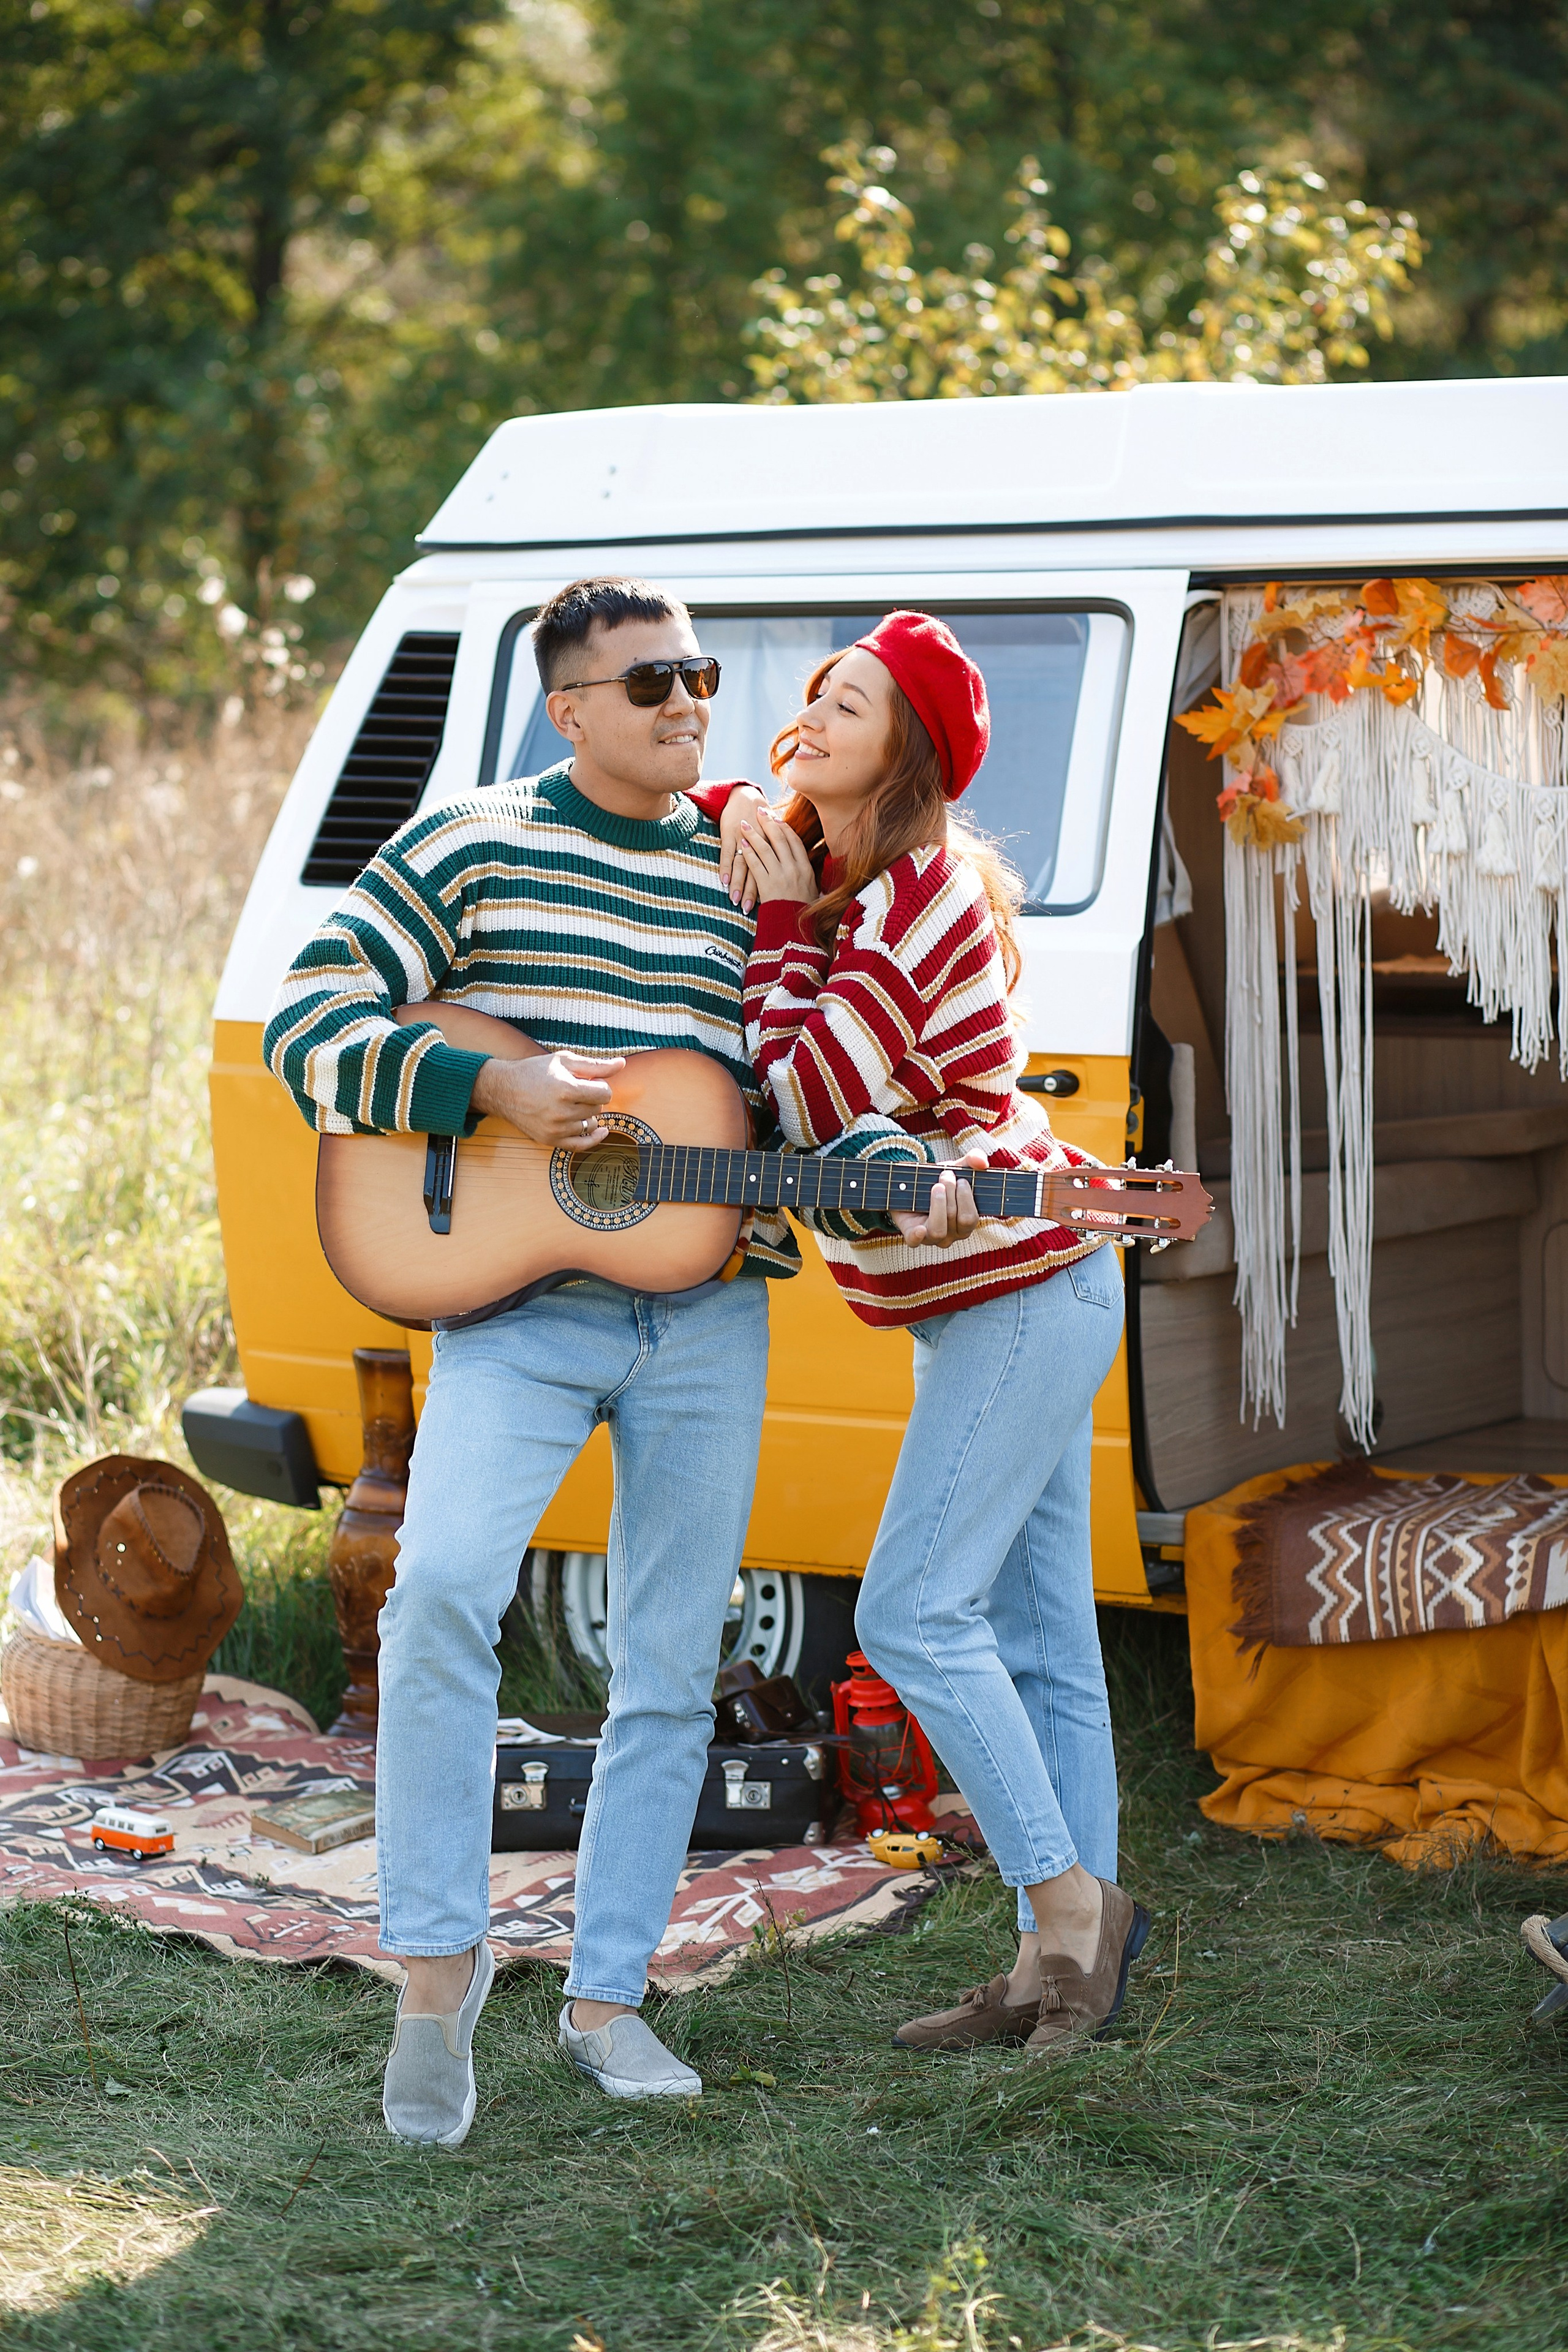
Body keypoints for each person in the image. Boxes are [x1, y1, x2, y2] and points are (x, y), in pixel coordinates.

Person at [265, 576, 790, 2140]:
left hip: (706, 1305)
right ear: (569, 709)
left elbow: (810, 1062)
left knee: (674, 1659)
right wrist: (483, 1095)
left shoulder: (752, 865)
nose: (690, 700)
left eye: (701, 674)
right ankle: (438, 1979)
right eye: (651, 683)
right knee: (435, 1593)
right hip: (515, 1311)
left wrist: (903, 1164)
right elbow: (310, 1015)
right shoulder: (474, 839)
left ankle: (608, 1994)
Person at [733, 610, 1148, 2058]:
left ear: (901, 747)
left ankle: (1064, 1909)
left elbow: (796, 1092)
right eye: (814, 694)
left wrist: (781, 922)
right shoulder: (854, 886)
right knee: (1041, 1646)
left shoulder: (913, 899)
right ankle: (1065, 1976)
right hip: (996, 1301)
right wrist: (774, 879)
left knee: (911, 1612)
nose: (815, 715)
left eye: (849, 700)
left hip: (1022, 1295)